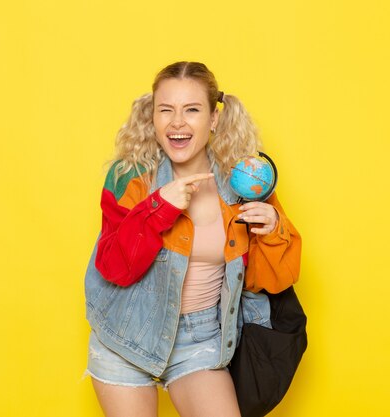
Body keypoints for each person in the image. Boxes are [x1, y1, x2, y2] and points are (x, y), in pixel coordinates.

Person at [84, 61, 301, 417]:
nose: (177, 122)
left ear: (214, 119)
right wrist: (159, 208)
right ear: (151, 117)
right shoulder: (130, 178)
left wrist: (274, 229)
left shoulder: (245, 182)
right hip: (125, 335)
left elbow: (273, 282)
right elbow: (113, 268)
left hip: (200, 338)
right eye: (165, 110)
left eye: (192, 110)